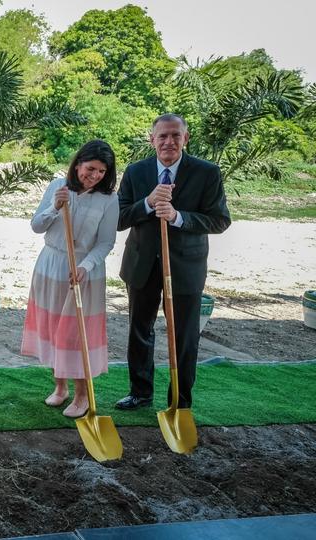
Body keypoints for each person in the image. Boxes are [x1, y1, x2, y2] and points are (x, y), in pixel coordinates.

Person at [115, 114, 231, 411]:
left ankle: (179, 400)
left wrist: (178, 217)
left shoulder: (207, 173)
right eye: (162, 136)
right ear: (152, 139)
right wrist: (148, 203)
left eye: (175, 136)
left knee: (184, 334)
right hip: (141, 264)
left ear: (186, 138)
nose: (169, 142)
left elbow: (219, 220)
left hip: (185, 267)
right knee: (139, 329)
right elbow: (118, 218)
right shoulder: (136, 171)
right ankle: (140, 392)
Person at [21, 140, 119, 418]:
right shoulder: (57, 187)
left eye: (102, 171)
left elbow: (106, 242)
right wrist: (54, 206)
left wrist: (86, 266)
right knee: (53, 327)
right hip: (52, 264)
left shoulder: (109, 199)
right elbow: (36, 226)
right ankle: (60, 387)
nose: (95, 175)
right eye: (90, 168)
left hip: (85, 270)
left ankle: (82, 395)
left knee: (76, 334)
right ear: (78, 165)